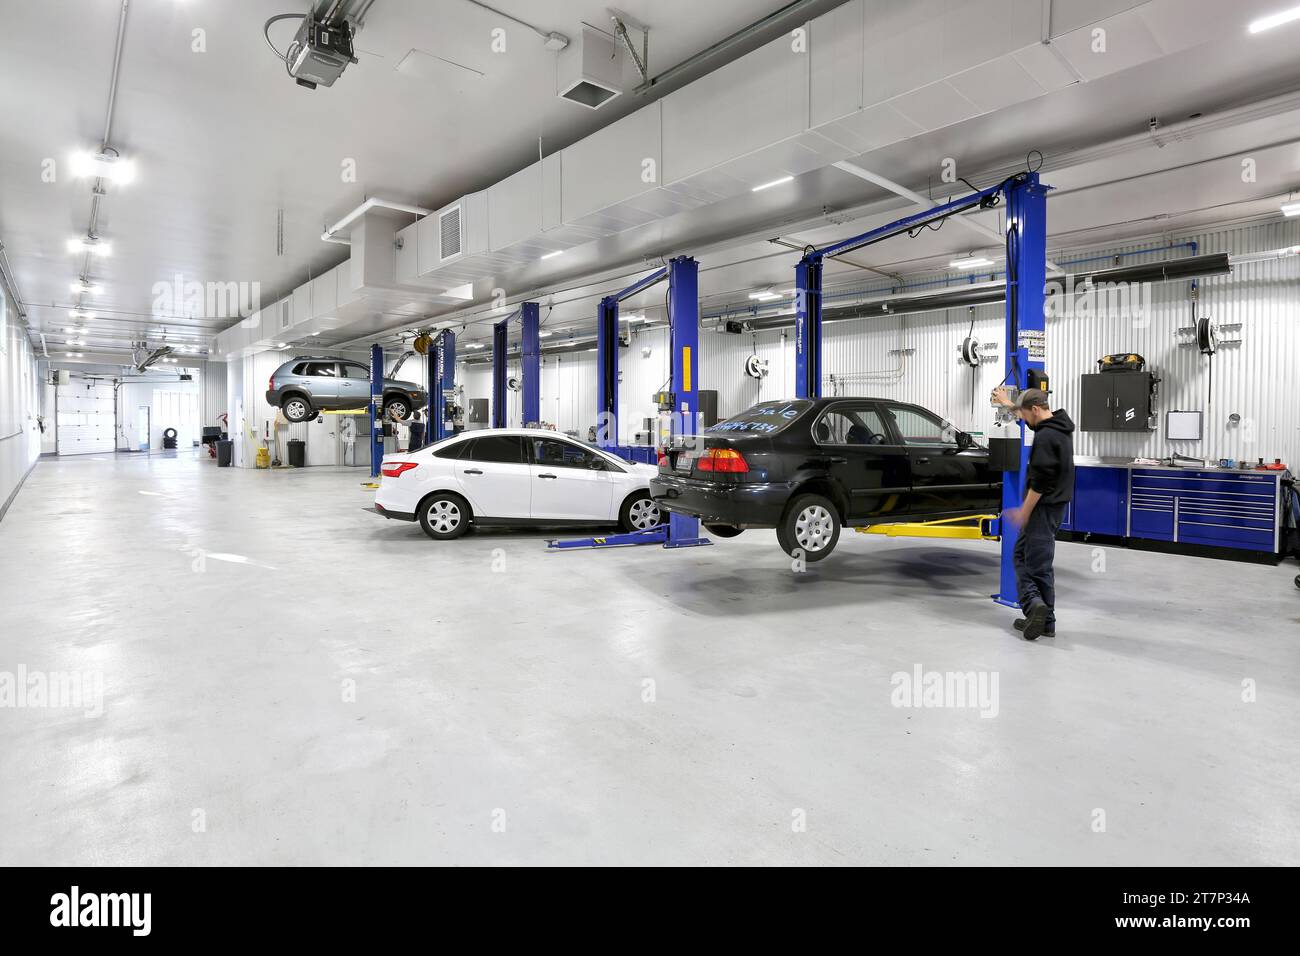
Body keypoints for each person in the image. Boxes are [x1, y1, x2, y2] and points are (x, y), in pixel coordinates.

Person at [992, 386, 1076, 640]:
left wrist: (1023, 512)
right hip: (1054, 508)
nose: (1023, 420)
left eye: (1025, 414)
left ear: (1036, 409)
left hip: (1042, 509)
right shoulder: (1059, 427)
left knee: (1036, 565)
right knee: (1024, 556)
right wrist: (1008, 403)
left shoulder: (1046, 438)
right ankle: (1043, 619)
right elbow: (1029, 419)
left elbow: (1040, 483)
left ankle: (1036, 608)